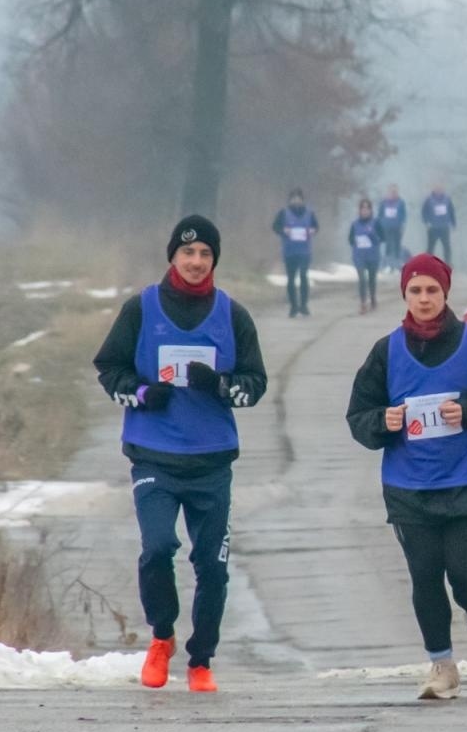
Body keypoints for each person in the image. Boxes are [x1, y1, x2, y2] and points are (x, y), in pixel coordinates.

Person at [92, 215, 268, 693]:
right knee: (157, 549)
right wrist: (143, 393)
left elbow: (256, 384)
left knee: (212, 564)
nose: (195, 262)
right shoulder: (141, 309)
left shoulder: (232, 315)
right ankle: (162, 637)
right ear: (173, 256)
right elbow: (109, 368)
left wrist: (224, 385)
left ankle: (201, 660)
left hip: (212, 460)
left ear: (214, 260)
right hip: (154, 456)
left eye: (205, 254)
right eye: (187, 253)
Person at [345, 253, 467, 700]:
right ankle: (442, 666)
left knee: (466, 574)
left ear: (445, 293)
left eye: (432, 290)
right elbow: (358, 417)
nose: (424, 298)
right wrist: (381, 423)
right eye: (415, 290)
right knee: (425, 575)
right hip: (410, 486)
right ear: (404, 295)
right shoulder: (386, 352)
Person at [272, 188, 319, 317]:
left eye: (298, 198)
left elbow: (316, 226)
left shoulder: (309, 213)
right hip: (289, 251)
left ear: (302, 200)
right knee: (291, 279)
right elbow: (275, 227)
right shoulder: (283, 213)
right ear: (290, 200)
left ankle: (304, 305)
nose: (296, 201)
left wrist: (312, 231)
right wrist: (283, 230)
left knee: (304, 275)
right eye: (294, 198)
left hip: (305, 251)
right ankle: (293, 306)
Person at [349, 197, 381, 314]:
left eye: (367, 208)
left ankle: (372, 298)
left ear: (371, 211)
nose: (365, 211)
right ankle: (363, 302)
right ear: (359, 210)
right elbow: (350, 239)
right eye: (363, 208)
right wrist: (357, 241)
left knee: (371, 279)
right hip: (359, 256)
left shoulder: (376, 222)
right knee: (362, 279)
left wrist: (372, 237)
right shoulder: (355, 224)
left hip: (373, 256)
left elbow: (383, 238)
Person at [420, 182, 457, 264]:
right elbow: (424, 212)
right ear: (434, 189)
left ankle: (448, 264)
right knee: (430, 247)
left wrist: (453, 223)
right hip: (432, 228)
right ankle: (427, 264)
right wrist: (426, 222)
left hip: (444, 227)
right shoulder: (429, 199)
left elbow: (451, 211)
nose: (438, 190)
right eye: (437, 189)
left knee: (446, 247)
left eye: (440, 189)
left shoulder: (447, 199)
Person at [378, 184, 408, 273]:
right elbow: (380, 215)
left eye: (395, 192)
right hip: (386, 227)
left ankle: (397, 266)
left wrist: (403, 225)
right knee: (388, 246)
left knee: (397, 246)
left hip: (397, 227)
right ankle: (387, 265)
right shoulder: (383, 202)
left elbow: (404, 215)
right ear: (388, 192)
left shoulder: (401, 202)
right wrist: (379, 226)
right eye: (391, 192)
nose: (393, 194)